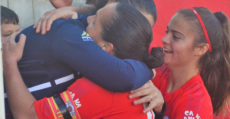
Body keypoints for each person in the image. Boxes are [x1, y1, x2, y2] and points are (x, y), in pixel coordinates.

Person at [3, 3, 164, 118]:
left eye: (94, 22)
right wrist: (149, 70)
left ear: (106, 46)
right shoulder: (69, 33)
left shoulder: (110, 80)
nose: (86, 19)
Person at [130, 7, 230, 118]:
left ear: (201, 49)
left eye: (176, 37)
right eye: (167, 32)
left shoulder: (197, 105)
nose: (164, 39)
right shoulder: (156, 67)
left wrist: (159, 111)